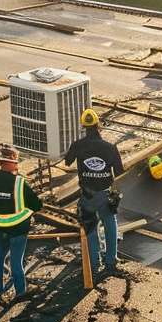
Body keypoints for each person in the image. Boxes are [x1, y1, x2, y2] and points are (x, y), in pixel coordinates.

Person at [63, 109, 124, 279]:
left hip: (87, 196)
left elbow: (67, 162)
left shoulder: (78, 145)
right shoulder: (110, 148)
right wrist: (115, 193)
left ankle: (94, 264)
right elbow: (119, 172)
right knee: (110, 227)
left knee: (90, 229)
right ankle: (111, 261)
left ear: (83, 126)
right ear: (98, 125)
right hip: (105, 195)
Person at [0, 145, 42, 303]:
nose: (18, 165)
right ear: (12, 162)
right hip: (18, 229)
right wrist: (27, 212)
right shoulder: (19, 183)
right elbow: (37, 205)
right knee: (16, 260)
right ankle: (20, 291)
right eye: (17, 162)